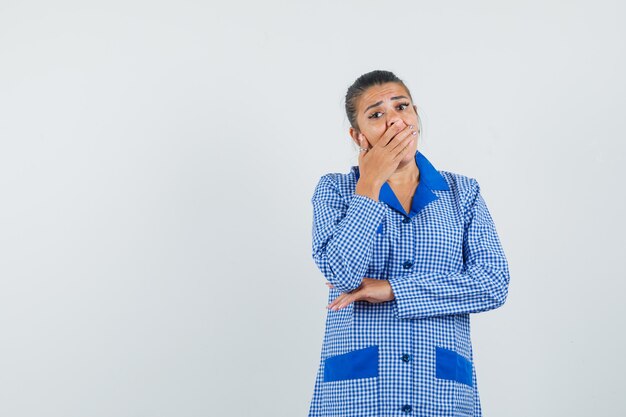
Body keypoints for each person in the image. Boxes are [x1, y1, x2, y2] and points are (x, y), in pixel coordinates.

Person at [307, 70, 510, 417]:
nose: (394, 121)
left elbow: (492, 284)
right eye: (376, 114)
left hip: (442, 394)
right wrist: (370, 182)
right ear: (358, 135)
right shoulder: (335, 190)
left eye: (401, 107)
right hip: (360, 395)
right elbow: (342, 274)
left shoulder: (463, 193)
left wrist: (392, 289)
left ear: (415, 115)